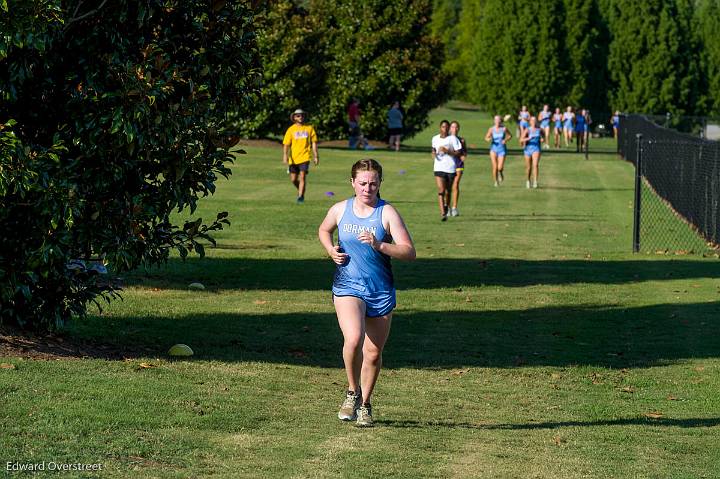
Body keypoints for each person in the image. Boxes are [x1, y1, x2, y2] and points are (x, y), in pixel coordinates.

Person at [318, 159, 416, 428]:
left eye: (373, 183)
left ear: (380, 183)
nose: (367, 188)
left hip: (380, 289)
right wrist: (330, 249)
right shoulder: (340, 209)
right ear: (352, 183)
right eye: (362, 183)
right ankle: (352, 392)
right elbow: (324, 229)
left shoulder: (387, 213)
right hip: (348, 285)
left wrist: (380, 244)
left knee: (373, 353)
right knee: (354, 338)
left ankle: (365, 404)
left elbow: (409, 251)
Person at [282, 108, 319, 204]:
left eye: (302, 115)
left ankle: (300, 196)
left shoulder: (309, 128)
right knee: (293, 179)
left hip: (305, 157)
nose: (300, 117)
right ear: (294, 117)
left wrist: (316, 156)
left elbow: (314, 143)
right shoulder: (291, 130)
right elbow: (286, 144)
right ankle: (300, 190)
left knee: (302, 177)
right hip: (293, 158)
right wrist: (285, 156)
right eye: (298, 115)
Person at [431, 120, 462, 221]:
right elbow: (433, 150)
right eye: (443, 127)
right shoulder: (435, 138)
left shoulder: (452, 139)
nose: (445, 129)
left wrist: (447, 151)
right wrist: (434, 154)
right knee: (441, 190)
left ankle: (447, 205)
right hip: (438, 167)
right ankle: (443, 213)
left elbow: (458, 153)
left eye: (447, 127)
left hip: (450, 168)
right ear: (440, 127)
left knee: (448, 191)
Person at [484, 115, 512, 187]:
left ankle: (500, 172)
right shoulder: (491, 129)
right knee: (495, 167)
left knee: (500, 167)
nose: (497, 121)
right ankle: (496, 182)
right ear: (494, 121)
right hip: (493, 149)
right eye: (495, 120)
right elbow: (486, 137)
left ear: (500, 121)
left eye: (498, 120)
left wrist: (505, 140)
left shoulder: (504, 129)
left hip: (502, 149)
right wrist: (488, 139)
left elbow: (510, 136)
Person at [449, 121, 467, 216]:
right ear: (449, 128)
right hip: (447, 165)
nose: (454, 129)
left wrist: (463, 156)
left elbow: (464, 152)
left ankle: (454, 208)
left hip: (458, 165)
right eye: (452, 127)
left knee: (455, 184)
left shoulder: (462, 140)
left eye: (456, 127)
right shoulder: (446, 139)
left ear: (458, 129)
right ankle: (447, 207)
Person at [520, 116, 544, 188]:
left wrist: (542, 139)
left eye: (535, 121)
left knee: (535, 165)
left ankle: (535, 182)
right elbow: (521, 140)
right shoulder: (527, 130)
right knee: (528, 167)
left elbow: (543, 136)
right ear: (530, 122)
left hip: (536, 149)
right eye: (532, 121)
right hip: (527, 149)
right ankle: (528, 180)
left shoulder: (539, 130)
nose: (533, 122)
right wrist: (528, 138)